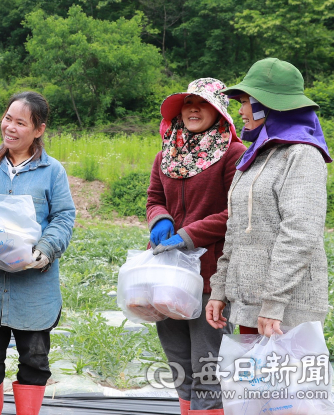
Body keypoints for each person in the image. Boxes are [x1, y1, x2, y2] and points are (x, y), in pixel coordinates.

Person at [0, 91, 75, 415]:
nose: (9, 127)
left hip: (33, 289)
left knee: (35, 359)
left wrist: (45, 249)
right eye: (8, 118)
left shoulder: (52, 171)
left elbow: (64, 217)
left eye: (20, 122)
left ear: (38, 129)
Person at [206, 58, 332, 339]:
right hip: (252, 306)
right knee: (251, 384)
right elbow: (236, 230)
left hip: (284, 314)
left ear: (266, 103)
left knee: (285, 384)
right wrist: (221, 289)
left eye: (244, 102)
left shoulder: (302, 155)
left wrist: (274, 303)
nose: (240, 112)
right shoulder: (255, 155)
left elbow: (300, 234)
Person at [146, 78, 247, 415]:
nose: (192, 108)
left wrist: (188, 235)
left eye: (202, 103)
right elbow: (154, 199)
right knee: (179, 365)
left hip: (211, 276)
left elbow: (236, 212)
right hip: (169, 273)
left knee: (208, 368)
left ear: (218, 111)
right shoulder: (166, 153)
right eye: (188, 103)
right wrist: (160, 219)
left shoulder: (234, 154)